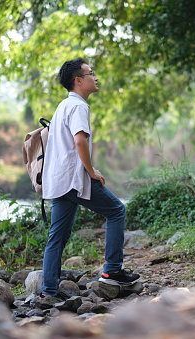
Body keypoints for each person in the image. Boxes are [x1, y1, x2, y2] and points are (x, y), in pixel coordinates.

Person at [40, 57, 139, 298]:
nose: (95, 77)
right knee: (116, 211)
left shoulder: (63, 105)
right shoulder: (79, 106)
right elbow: (79, 140)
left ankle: (48, 292)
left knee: (57, 237)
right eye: (90, 73)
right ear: (78, 80)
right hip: (74, 179)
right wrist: (91, 171)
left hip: (59, 181)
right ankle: (112, 270)